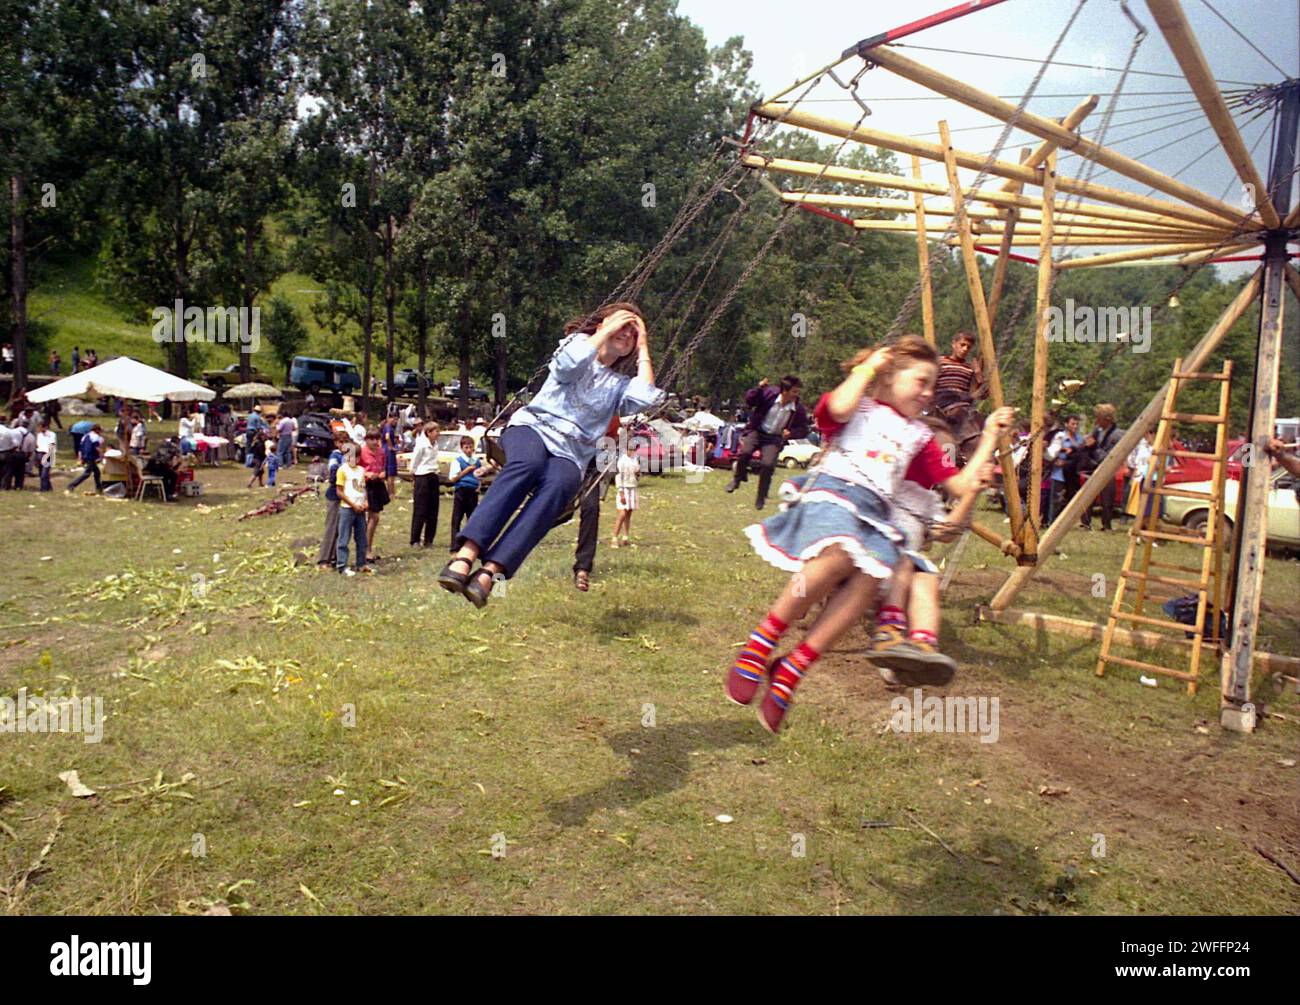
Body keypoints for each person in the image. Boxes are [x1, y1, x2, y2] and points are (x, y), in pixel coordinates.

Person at [727, 336, 1013, 732]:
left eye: (932, 385)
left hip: (873, 516)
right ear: (890, 375)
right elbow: (836, 408)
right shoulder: (859, 405)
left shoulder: (920, 436)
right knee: (843, 553)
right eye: (922, 381)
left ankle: (793, 668)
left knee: (872, 577)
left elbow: (960, 485)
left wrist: (991, 440)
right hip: (833, 496)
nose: (929, 392)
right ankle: (759, 646)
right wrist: (868, 369)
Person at [439, 302, 664, 608]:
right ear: (601, 326)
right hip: (533, 429)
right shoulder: (575, 346)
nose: (625, 333)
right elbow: (567, 366)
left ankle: (491, 572)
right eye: (619, 325)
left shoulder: (620, 385)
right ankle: (466, 553)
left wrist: (645, 348)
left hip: (571, 452)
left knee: (561, 487)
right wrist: (606, 331)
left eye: (632, 331)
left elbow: (643, 399)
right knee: (528, 464)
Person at [866, 416, 992, 683]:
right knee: (906, 561)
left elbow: (945, 533)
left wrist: (970, 494)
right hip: (869, 559)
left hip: (904, 571)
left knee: (926, 578)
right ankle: (890, 636)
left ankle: (922, 645)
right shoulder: (885, 480)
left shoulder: (928, 499)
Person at [725, 375, 809, 510]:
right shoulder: (769, 394)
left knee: (768, 464)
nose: (796, 395)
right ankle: (737, 479)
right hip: (757, 431)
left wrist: (791, 433)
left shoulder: (797, 409)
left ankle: (761, 496)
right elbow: (750, 401)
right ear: (784, 391)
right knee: (745, 452)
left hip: (774, 438)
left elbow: (804, 429)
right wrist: (759, 388)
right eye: (794, 391)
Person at [933, 330, 988, 461]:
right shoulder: (941, 362)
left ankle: (968, 454)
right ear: (954, 344)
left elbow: (983, 394)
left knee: (978, 420)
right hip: (943, 400)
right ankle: (954, 455)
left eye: (968, 347)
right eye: (962, 345)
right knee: (959, 414)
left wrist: (978, 373)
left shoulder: (969, 369)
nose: (965, 349)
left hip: (962, 402)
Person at [1080, 403, 1123, 531]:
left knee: (1107, 499)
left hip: (1107, 469)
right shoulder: (1096, 431)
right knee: (1088, 496)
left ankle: (1106, 525)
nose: (1096, 421)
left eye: (1098, 418)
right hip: (1093, 467)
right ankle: (1085, 522)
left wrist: (1094, 447)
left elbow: (1109, 455)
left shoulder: (1117, 434)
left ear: (1107, 419)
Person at [316, 430, 350, 570]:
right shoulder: (335, 456)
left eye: (345, 442)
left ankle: (336, 558)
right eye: (340, 442)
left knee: (341, 528)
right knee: (331, 527)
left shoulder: (349, 456)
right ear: (336, 443)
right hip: (334, 494)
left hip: (346, 494)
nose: (343, 445)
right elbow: (333, 475)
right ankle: (324, 559)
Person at [335, 443, 371, 576]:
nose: (353, 460)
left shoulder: (361, 470)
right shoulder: (342, 470)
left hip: (360, 509)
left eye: (356, 457)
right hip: (347, 508)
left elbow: (362, 488)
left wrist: (366, 502)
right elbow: (339, 491)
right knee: (344, 538)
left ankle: (361, 564)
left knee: (361, 538)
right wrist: (352, 504)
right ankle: (342, 565)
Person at [449, 435, 488, 549]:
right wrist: (466, 471)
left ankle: (470, 542)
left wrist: (479, 485)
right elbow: (453, 478)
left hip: (473, 490)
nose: (469, 450)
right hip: (461, 489)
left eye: (471, 447)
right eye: (466, 447)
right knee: (457, 518)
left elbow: (480, 476)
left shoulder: (476, 461)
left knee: (472, 517)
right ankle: (455, 544)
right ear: (462, 448)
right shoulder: (458, 461)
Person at [408, 421, 440, 548]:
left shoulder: (436, 445)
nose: (438, 434)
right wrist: (413, 474)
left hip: (433, 475)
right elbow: (415, 461)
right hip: (422, 476)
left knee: (433, 509)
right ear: (429, 433)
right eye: (436, 431)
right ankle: (415, 539)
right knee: (420, 509)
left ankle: (429, 539)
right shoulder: (421, 445)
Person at [360, 429, 389, 562]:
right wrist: (366, 474)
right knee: (373, 517)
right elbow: (351, 468)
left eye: (376, 439)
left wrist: (383, 473)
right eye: (371, 439)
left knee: (374, 517)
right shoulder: (361, 451)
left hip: (377, 484)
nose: (374, 442)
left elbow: (383, 468)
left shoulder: (381, 452)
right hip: (365, 485)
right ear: (366, 440)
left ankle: (367, 548)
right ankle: (366, 549)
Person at [611, 438, 640, 549]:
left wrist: (638, 474)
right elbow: (619, 477)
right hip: (624, 488)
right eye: (630, 449)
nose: (632, 451)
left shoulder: (634, 459)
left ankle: (625, 536)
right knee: (622, 514)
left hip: (632, 487)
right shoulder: (622, 461)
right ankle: (614, 537)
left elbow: (637, 472)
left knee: (629, 513)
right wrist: (621, 492)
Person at [66, 424, 104, 494]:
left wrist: (80, 458)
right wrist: (102, 456)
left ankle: (99, 489)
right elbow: (97, 447)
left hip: (85, 456)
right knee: (87, 474)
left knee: (97, 472)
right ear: (97, 430)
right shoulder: (95, 437)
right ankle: (71, 485)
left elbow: (80, 449)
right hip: (91, 456)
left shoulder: (85, 436)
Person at [35, 419, 56, 492]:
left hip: (47, 454)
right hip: (39, 453)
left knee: (44, 474)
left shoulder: (51, 434)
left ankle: (43, 489)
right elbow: (37, 445)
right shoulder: (39, 435)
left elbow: (52, 445)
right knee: (41, 474)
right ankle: (49, 488)